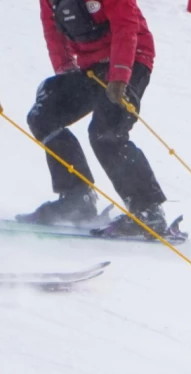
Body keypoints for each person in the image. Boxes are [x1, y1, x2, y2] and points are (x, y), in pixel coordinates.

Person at [16, 0, 168, 237]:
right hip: (90, 68)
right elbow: (53, 31)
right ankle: (77, 198)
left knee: (105, 131)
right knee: (44, 115)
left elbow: (126, 25)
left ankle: (148, 212)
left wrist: (119, 75)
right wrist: (65, 71)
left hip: (131, 60)